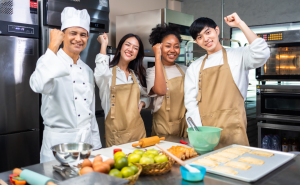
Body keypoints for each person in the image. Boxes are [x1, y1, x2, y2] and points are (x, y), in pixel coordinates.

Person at [185, 13, 270, 149]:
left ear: (217, 30)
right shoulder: (194, 67)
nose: (206, 39)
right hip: (206, 132)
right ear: (197, 42)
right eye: (200, 37)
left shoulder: (238, 55)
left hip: (234, 131)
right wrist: (199, 135)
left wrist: (240, 24)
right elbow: (191, 104)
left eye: (208, 32)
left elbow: (262, 53)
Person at [30, 7, 101, 163]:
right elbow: (37, 85)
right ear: (63, 36)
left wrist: (96, 146)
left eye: (83, 35)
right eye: (73, 33)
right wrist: (52, 46)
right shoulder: (49, 60)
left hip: (85, 143)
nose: (78, 39)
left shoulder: (88, 70)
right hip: (58, 144)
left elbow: (90, 112)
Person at [95, 32, 150, 147]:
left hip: (138, 134)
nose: (131, 49)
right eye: (128, 45)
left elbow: (147, 95)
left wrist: (143, 102)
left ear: (137, 54)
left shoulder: (136, 75)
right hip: (117, 137)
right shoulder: (107, 73)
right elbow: (100, 73)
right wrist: (104, 45)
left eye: (135, 48)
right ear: (120, 47)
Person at [146, 24, 188, 137]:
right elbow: (160, 90)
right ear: (159, 47)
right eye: (168, 46)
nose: (173, 50)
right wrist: (157, 56)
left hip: (185, 127)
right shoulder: (152, 71)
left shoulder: (185, 70)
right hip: (163, 129)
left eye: (176, 46)